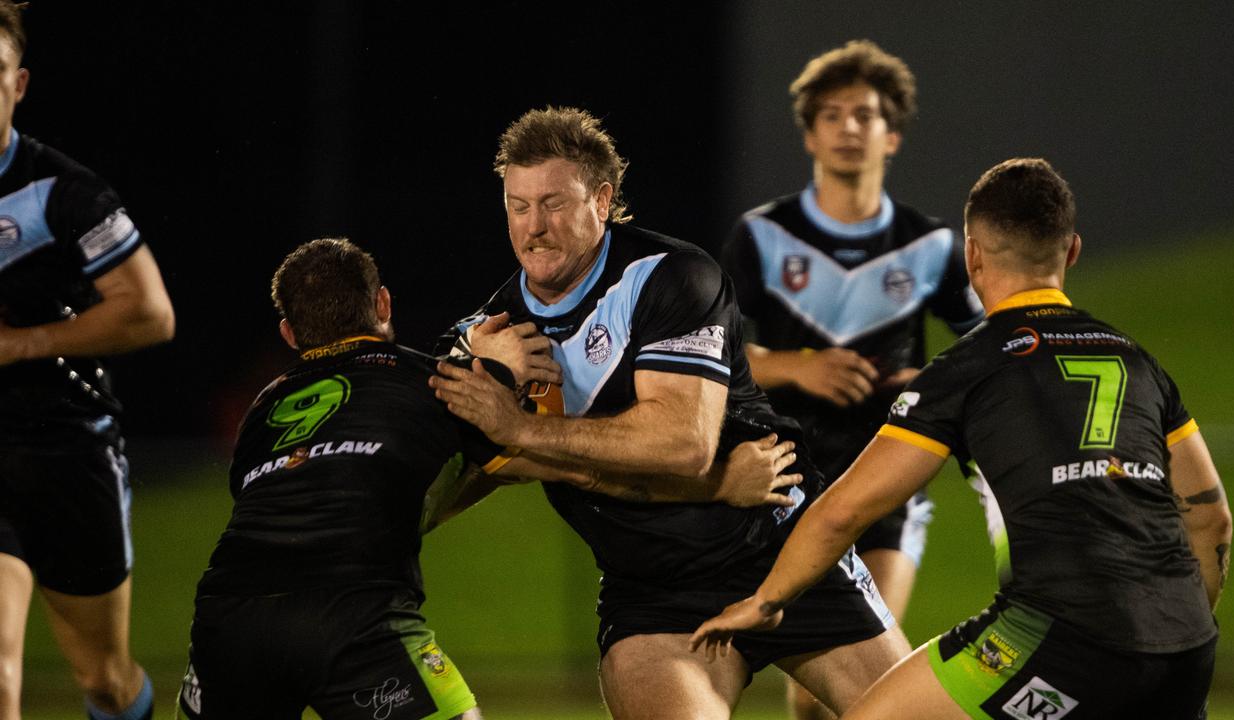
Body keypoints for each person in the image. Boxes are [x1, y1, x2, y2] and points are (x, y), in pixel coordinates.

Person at [691, 158, 1232, 720]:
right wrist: (1174, 630)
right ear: (1071, 250)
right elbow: (1211, 519)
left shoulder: (969, 367)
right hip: (1188, 647)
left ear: (971, 255)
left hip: (1060, 638)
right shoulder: (1138, 362)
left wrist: (766, 601)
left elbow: (844, 512)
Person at [177, 238, 800, 719]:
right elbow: (574, 468)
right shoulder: (431, 382)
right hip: (353, 613)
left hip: (227, 615)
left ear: (290, 334)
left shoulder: (262, 408)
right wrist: (717, 483)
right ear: (384, 305)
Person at [430, 106, 911, 720]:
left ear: (602, 201)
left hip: (781, 550)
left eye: (554, 203)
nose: (534, 228)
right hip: (652, 595)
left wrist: (523, 431)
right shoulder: (486, 337)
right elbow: (459, 473)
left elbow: (682, 443)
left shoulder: (671, 277)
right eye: (518, 207)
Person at [720, 42, 984, 718]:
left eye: (864, 115)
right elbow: (707, 355)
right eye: (831, 115)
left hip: (887, 481)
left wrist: (929, 380)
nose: (847, 129)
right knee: (814, 697)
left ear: (891, 134)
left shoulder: (931, 247)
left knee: (870, 690)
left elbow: (993, 351)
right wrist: (796, 365)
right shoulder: (762, 236)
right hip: (786, 484)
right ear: (809, 133)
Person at [0, 2, 175, 718]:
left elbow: (151, 313)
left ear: (19, 84)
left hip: (65, 450)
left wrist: (19, 344)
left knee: (104, 677)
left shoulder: (61, 193)